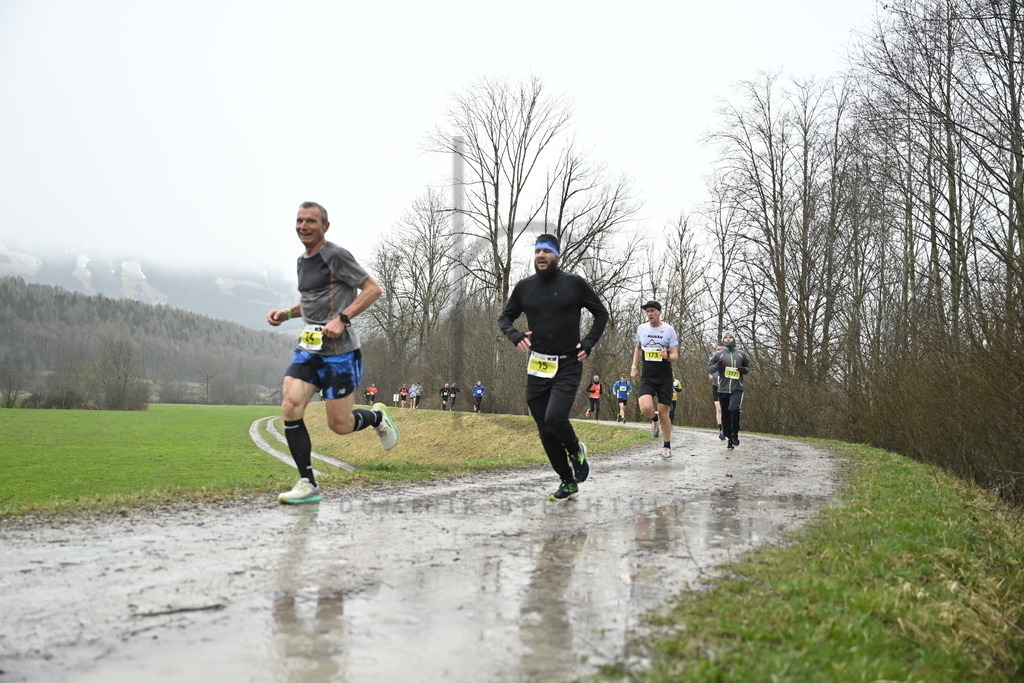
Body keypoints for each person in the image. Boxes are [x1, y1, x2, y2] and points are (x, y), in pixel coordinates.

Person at [266, 201, 398, 504]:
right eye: (299, 221)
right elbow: (313, 303)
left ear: (325, 226)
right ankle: (307, 483)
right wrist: (286, 313)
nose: (303, 227)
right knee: (290, 405)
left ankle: (376, 418)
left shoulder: (335, 256)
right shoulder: (302, 261)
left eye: (311, 221)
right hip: (308, 349)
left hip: (340, 353)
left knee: (339, 426)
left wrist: (343, 318)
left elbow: (372, 289)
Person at [498, 233, 608, 501]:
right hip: (538, 365)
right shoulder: (525, 287)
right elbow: (505, 318)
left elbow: (601, 314)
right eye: (537, 251)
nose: (541, 255)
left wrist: (589, 342)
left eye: (547, 251)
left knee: (555, 418)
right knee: (544, 427)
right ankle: (567, 480)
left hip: (568, 363)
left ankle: (575, 448)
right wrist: (516, 336)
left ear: (557, 255)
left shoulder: (575, 284)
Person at [630, 300, 679, 459]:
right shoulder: (642, 329)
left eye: (652, 311)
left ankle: (666, 445)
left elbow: (675, 356)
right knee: (645, 408)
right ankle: (654, 418)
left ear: (660, 312)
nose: (649, 314)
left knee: (665, 413)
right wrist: (634, 367)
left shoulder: (669, 330)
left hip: (664, 377)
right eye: (647, 311)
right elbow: (638, 348)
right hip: (648, 376)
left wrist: (668, 356)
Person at [708, 331, 751, 450]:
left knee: (734, 409)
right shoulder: (719, 354)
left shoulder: (741, 354)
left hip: (737, 388)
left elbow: (748, 367)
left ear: (734, 339)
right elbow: (710, 368)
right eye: (726, 338)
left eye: (730, 337)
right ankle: (729, 437)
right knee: (725, 413)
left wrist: (743, 370)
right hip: (722, 389)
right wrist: (718, 365)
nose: (728, 339)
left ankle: (735, 433)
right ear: (723, 340)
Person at [708, 344, 725, 439]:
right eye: (717, 349)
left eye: (720, 350)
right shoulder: (713, 360)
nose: (718, 351)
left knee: (727, 409)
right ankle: (721, 430)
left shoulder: (728, 360)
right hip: (716, 387)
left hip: (726, 387)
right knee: (718, 409)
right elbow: (709, 370)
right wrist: (710, 375)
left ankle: (729, 428)